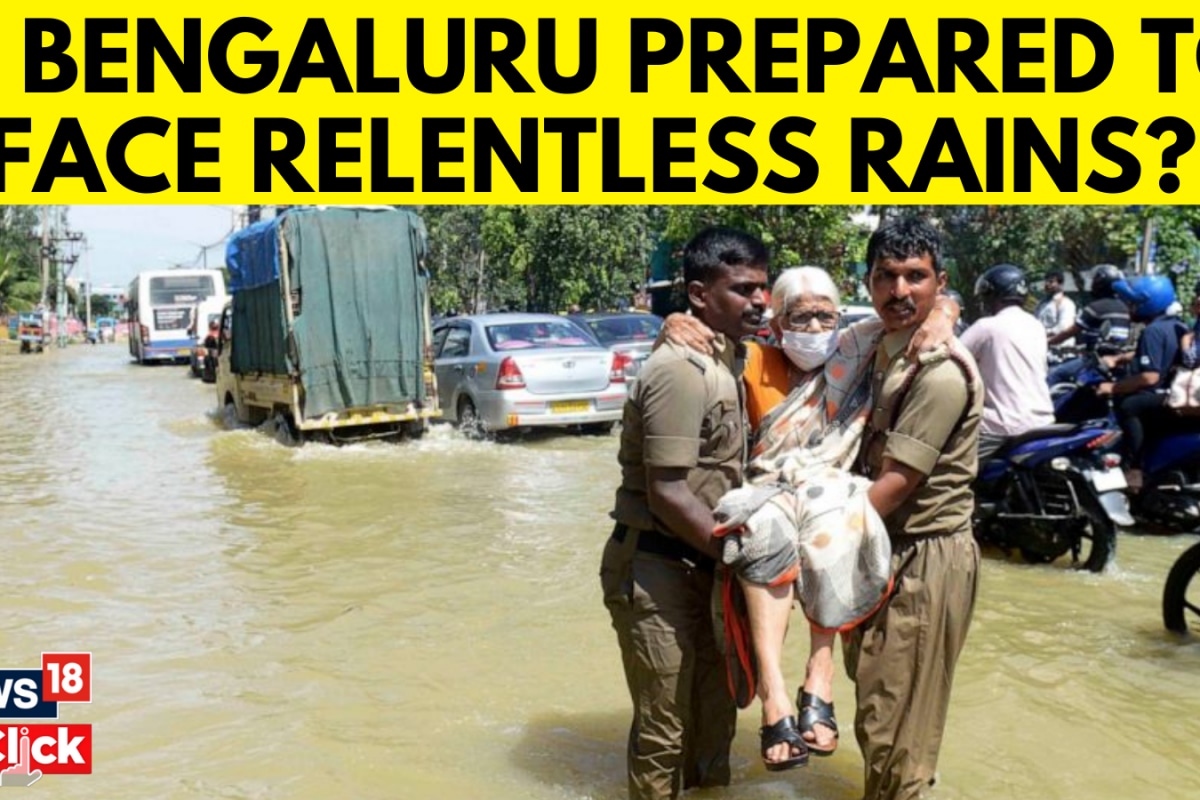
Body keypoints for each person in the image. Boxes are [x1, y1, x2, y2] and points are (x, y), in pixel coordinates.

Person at [659, 271, 960, 770]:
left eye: (825, 314)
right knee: (762, 529)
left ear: (841, 319)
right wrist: (670, 321)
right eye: (800, 316)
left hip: (830, 491)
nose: (815, 325)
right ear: (776, 323)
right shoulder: (750, 358)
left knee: (837, 513)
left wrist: (947, 312)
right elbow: (685, 346)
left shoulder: (859, 348)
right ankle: (775, 697)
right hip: (768, 488)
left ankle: (818, 676)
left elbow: (922, 308)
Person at [599, 226, 768, 800]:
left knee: (715, 718)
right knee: (663, 729)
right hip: (658, 568)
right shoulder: (680, 369)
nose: (759, 301)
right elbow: (668, 490)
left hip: (705, 564)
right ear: (699, 295)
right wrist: (743, 559)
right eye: (743, 289)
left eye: (762, 289)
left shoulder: (729, 357)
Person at [848, 217, 983, 800]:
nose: (899, 291)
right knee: (881, 706)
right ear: (868, 281)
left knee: (898, 729)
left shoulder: (939, 372)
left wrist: (806, 542)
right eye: (885, 277)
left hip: (925, 556)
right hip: (884, 547)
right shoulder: (878, 348)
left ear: (940, 283)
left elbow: (898, 481)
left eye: (915, 278)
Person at [1096, 275, 1188, 489]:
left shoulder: (1152, 331)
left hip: (1160, 393)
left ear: (1147, 304)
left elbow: (1150, 377)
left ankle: (1134, 467)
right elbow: (1155, 354)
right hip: (1173, 389)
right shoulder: (1175, 326)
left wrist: (1112, 387)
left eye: (1133, 303)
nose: (1129, 307)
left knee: (1129, 405)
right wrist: (1119, 358)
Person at [960, 264, 1055, 460]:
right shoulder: (1035, 326)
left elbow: (948, 359)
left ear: (991, 295)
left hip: (1005, 423)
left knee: (945, 462)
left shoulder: (987, 327)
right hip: (1043, 419)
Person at [1047, 264, 1132, 386]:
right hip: (1118, 360)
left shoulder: (1096, 307)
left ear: (1100, 284)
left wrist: (1048, 342)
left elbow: (1070, 332)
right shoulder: (1125, 308)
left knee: (1055, 374)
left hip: (1096, 360)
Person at [1035, 268, 1077, 343]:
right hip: (1041, 344)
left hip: (1059, 349)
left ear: (1060, 284)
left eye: (1051, 282)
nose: (1047, 284)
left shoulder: (1066, 303)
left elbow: (1063, 327)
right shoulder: (1041, 303)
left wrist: (1042, 334)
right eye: (1046, 281)